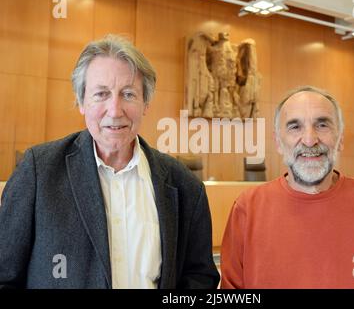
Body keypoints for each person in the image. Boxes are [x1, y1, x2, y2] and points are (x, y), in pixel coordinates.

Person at [0, 34, 220, 289]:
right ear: (81, 101)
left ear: (145, 103)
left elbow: (199, 278)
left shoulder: (186, 187)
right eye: (101, 94)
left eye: (128, 94)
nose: (115, 110)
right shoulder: (38, 172)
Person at [220, 86, 354, 289]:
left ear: (340, 138)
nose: (310, 140)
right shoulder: (247, 208)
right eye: (295, 127)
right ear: (278, 142)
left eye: (322, 125)